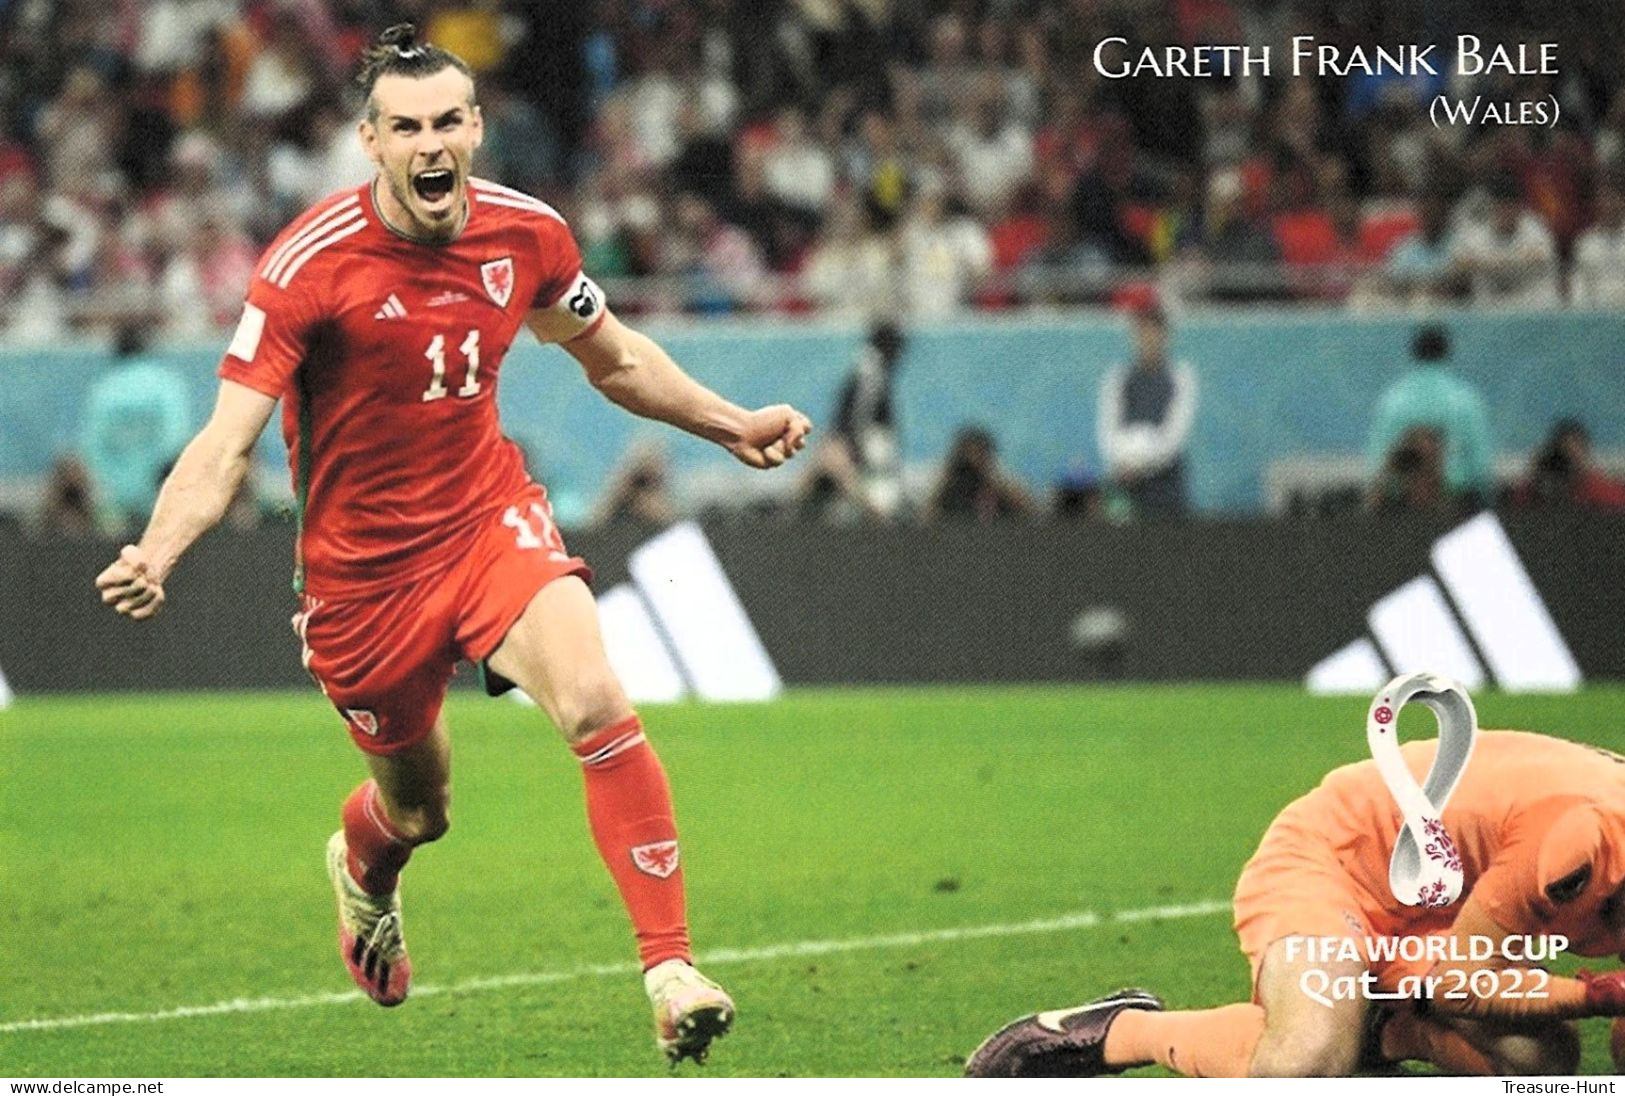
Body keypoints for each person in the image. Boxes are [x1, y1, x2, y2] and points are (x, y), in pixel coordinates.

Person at [94, 24, 812, 1066]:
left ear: (473, 128)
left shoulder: (527, 235)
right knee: (419, 809)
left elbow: (610, 359)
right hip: (361, 579)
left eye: (446, 122)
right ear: (371, 142)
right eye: (406, 128)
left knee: (597, 699)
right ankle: (364, 863)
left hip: (486, 521)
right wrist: (159, 550)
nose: (430, 144)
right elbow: (225, 441)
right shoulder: (308, 264)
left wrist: (730, 421)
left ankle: (669, 968)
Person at [966, 710, 1625, 1076]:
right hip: (1334, 860)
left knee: (1539, 1065)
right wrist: (1594, 994)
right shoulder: (1577, 841)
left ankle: (1391, 1031)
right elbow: (1459, 982)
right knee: (1305, 1064)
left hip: (1447, 902)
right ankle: (1119, 1030)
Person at [1366, 325, 1494, 507]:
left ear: (1413, 354)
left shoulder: (1392, 401)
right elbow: (1480, 468)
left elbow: (1376, 463)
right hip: (1460, 504)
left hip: (1400, 507)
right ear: (1447, 353)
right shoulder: (1466, 400)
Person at [1096, 305, 1196, 517]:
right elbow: (1107, 429)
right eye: (1142, 333)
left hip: (1165, 485)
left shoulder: (1181, 377)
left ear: (1165, 336)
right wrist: (1121, 462)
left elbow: (1175, 434)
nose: (1148, 340)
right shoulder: (1118, 378)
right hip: (1123, 480)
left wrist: (1142, 465)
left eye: (1154, 333)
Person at [830, 320, 906, 517]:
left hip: (866, 436)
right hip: (869, 438)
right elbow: (861, 410)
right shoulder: (871, 370)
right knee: (877, 493)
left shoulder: (873, 368)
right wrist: (854, 441)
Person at [1512, 418, 1625, 511]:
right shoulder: (1532, 492)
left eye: (1574, 456)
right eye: (1563, 457)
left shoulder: (1599, 491)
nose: (1569, 462)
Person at [927, 426, 1035, 521]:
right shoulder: (947, 486)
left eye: (980, 454)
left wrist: (992, 479)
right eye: (969, 455)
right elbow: (929, 516)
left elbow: (1029, 511)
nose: (974, 461)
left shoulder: (1000, 484)